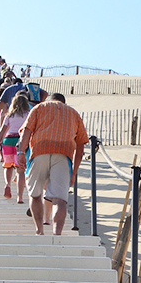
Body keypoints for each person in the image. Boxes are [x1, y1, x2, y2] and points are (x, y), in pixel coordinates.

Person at [16, 93, 88, 235]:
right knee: (59, 199)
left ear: (50, 100)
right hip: (63, 155)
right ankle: (57, 234)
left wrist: (21, 153)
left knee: (35, 194)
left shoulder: (39, 108)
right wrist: (73, 172)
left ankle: (39, 231)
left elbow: (27, 131)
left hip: (39, 152)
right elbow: (80, 147)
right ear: (63, 102)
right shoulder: (73, 113)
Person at [0, 93, 30, 204]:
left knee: (8, 166)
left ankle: (7, 184)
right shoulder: (28, 114)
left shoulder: (9, 116)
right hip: (21, 141)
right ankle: (20, 197)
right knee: (20, 171)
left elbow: (2, 130)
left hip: (8, 141)